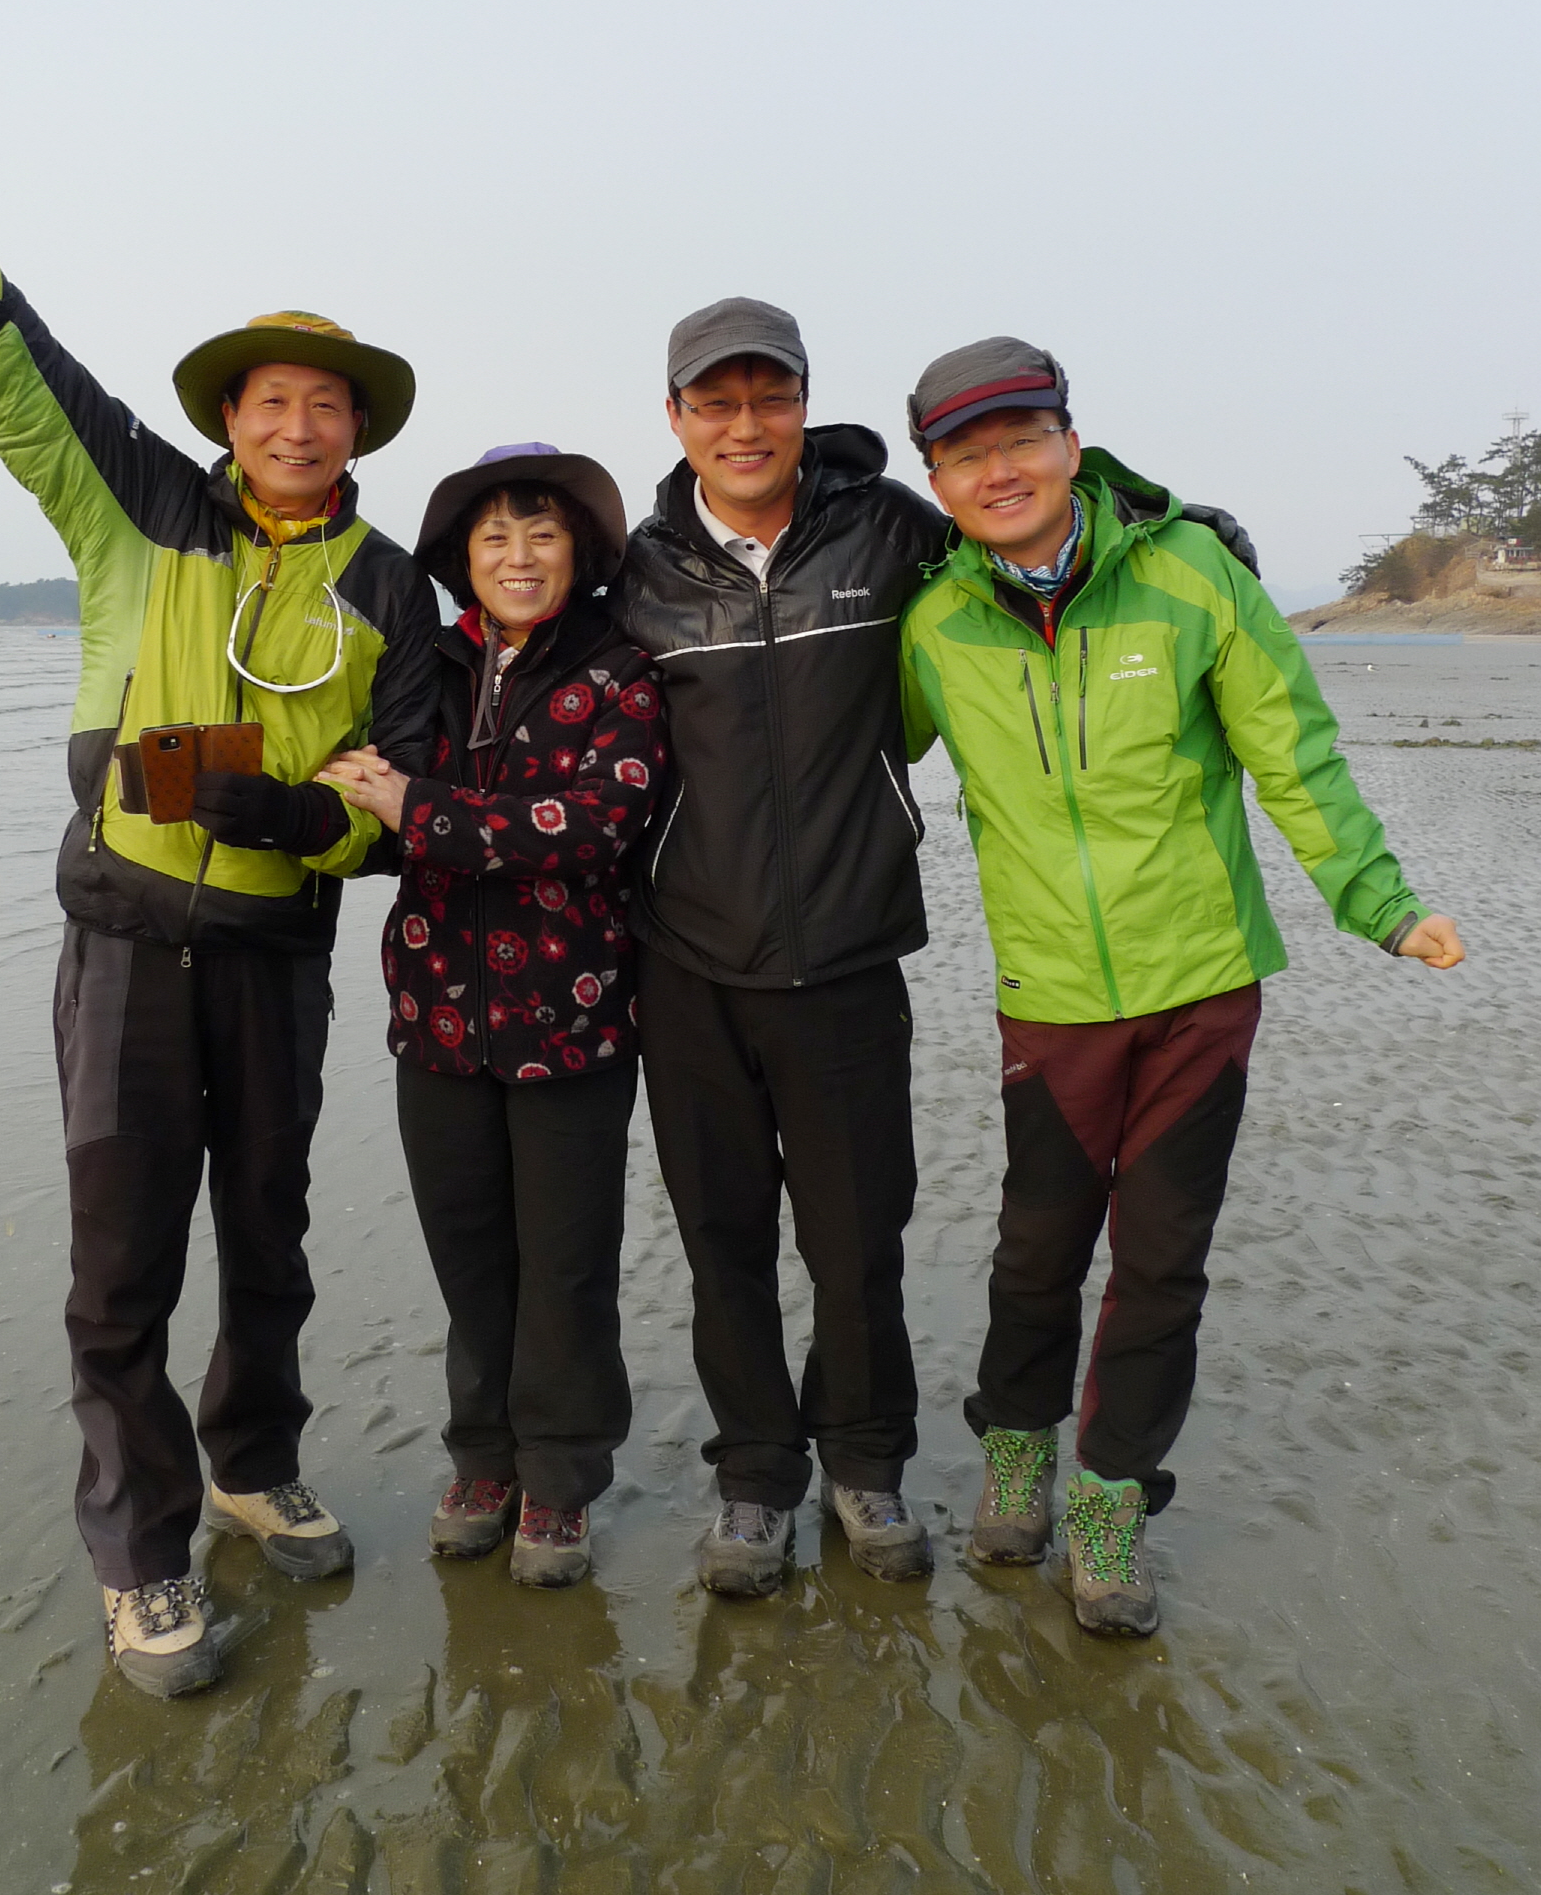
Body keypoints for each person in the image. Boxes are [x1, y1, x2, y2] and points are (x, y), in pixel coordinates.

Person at [0, 28, 440, 1697]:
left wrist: (287, 816)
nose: (298, 422)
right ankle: (138, 1556)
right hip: (121, 946)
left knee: (268, 1237)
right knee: (119, 1268)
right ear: (231, 418)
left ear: (358, 427)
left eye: (326, 402)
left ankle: (253, 1462)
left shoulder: (394, 588)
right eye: (271, 399)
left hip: (275, 958)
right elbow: (11, 368)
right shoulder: (138, 508)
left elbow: (393, 797)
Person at [898, 336, 1465, 1635]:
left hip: (1200, 986)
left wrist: (1380, 902)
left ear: (1071, 441)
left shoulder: (1192, 575)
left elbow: (1294, 754)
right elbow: (838, 757)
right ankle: (1018, 1455)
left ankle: (1111, 1503)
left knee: (1161, 1261)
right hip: (1048, 991)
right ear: (936, 482)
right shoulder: (933, 622)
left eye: (1021, 438)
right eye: (967, 454)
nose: (1000, 469)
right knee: (1036, 1249)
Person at [610, 298, 953, 1594]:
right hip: (688, 960)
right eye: (716, 401)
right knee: (725, 1241)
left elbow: (1030, 534)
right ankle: (756, 1475)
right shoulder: (637, 571)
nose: (744, 424)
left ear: (805, 402)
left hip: (850, 949)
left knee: (859, 1241)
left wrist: (1179, 525)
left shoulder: (891, 531)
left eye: (770, 397)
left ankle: (865, 1458)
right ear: (676, 416)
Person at [327, 446, 668, 1588]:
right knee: (467, 1251)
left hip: (573, 1016)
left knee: (565, 1262)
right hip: (434, 1013)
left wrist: (417, 806)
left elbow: (593, 825)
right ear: (463, 558)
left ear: (579, 551)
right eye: (494, 537)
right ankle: (483, 1458)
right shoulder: (425, 661)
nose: (518, 556)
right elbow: (369, 792)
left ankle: (560, 1476)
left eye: (542, 533)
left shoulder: (621, 671)